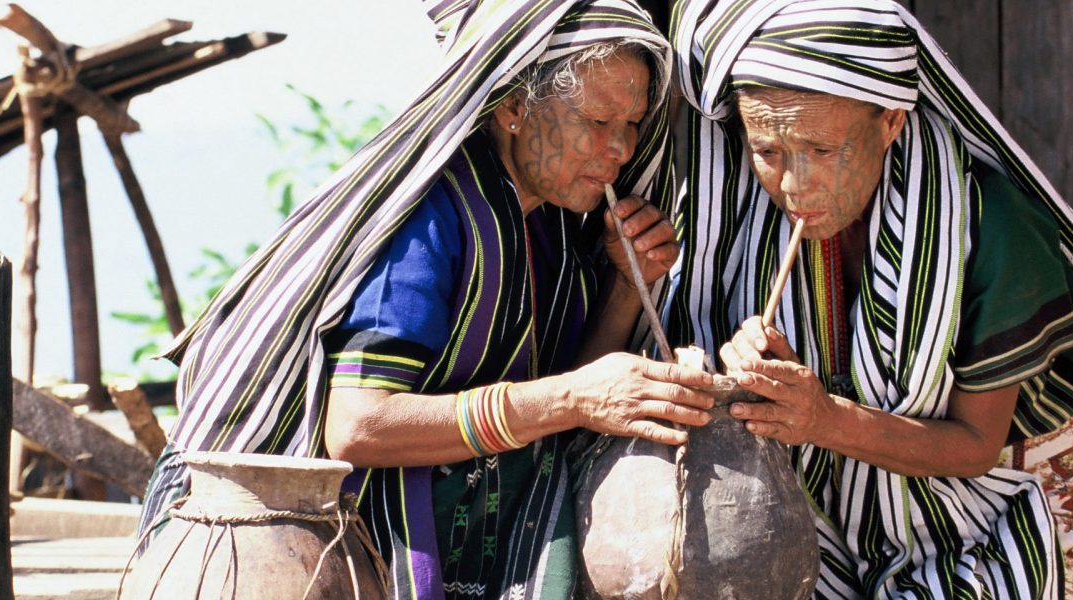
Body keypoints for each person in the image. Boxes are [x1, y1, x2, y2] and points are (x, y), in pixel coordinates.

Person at [139, 1, 708, 598]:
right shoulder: (431, 219)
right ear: (513, 107)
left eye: (633, 125)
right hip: (278, 556)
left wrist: (625, 284)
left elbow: (567, 395)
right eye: (597, 122)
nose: (620, 148)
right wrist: (570, 399)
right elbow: (358, 426)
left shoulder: (554, 226)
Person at [663, 0, 1073, 598]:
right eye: (769, 152)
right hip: (847, 489)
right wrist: (770, 370)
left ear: (892, 121)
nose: (794, 186)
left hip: (1012, 482)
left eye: (823, 151)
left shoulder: (991, 227)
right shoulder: (743, 222)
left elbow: (975, 445)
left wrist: (823, 418)